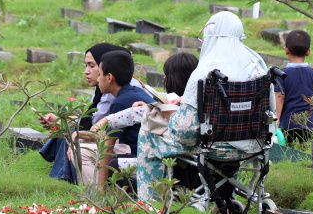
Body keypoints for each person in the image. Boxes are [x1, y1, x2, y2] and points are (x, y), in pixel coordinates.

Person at [135, 12, 268, 200]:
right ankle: (225, 199)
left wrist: (173, 114)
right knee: (230, 132)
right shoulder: (257, 68)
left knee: (149, 134)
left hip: (213, 147)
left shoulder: (204, 73)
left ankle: (152, 201)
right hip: (252, 146)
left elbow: (184, 132)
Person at [93, 53, 199, 201]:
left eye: (167, 75)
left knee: (114, 165)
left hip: (170, 163)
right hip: (193, 166)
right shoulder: (193, 102)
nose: (164, 79)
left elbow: (107, 148)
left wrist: (100, 190)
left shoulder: (185, 108)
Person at [38, 43, 142, 182]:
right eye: (86, 65)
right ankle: (63, 174)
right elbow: (92, 118)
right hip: (120, 141)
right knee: (70, 130)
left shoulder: (120, 95)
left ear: (107, 72)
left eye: (92, 66)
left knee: (75, 137)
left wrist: (77, 132)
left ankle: (80, 184)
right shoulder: (114, 88)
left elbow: (104, 137)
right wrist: (61, 120)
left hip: (128, 148)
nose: (87, 71)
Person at [80, 51, 154, 185]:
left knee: (82, 152)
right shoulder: (135, 92)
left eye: (100, 75)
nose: (97, 80)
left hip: (138, 156)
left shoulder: (120, 102)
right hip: (145, 151)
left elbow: (107, 149)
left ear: (109, 77)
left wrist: (100, 190)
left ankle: (95, 191)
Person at [275, 30, 313, 145]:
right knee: (305, 149)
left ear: (286, 50)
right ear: (308, 52)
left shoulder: (282, 74)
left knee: (288, 149)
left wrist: (277, 118)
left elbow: (280, 96)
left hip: (288, 123)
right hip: (309, 123)